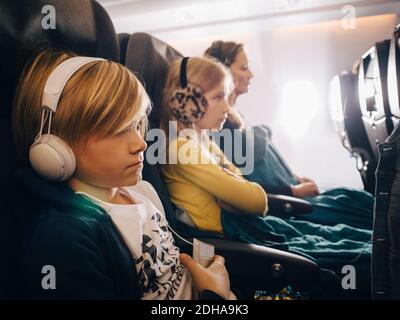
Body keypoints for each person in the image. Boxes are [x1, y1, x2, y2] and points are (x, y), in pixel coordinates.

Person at [12, 49, 233, 300]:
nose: (141, 143)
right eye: (119, 130)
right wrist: (215, 296)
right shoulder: (63, 239)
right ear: (55, 148)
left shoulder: (141, 191)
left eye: (138, 125)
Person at [161, 56, 372, 299]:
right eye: (218, 97)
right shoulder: (181, 150)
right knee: (352, 257)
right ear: (186, 100)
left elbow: (242, 185)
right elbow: (254, 200)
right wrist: (240, 192)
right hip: (236, 236)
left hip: (249, 226)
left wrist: (238, 191)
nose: (226, 108)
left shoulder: (202, 141)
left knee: (342, 235)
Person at [204, 40, 374, 231]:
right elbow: (243, 187)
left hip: (293, 194)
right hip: (286, 205)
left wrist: (295, 178)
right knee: (359, 209)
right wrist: (293, 191)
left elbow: (265, 166)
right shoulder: (221, 126)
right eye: (244, 68)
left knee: (353, 198)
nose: (250, 74)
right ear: (224, 72)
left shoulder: (237, 118)